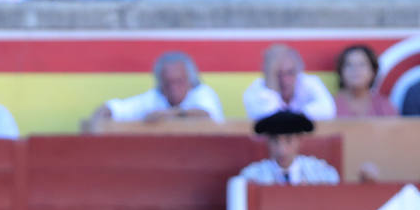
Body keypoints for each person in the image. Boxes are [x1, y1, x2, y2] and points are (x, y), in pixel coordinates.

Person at [91, 51, 223, 125]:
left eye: (179, 81)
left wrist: (171, 114)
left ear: (190, 80)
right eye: (168, 83)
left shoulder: (202, 93)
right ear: (160, 83)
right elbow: (115, 109)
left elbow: (206, 114)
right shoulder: (154, 98)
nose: (174, 88)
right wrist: (100, 116)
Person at [236, 110, 342, 185]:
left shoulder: (320, 172)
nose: (282, 150)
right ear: (267, 142)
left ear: (299, 140)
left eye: (289, 141)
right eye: (275, 141)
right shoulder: (253, 175)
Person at [243, 44, 336, 122]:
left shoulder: (310, 82)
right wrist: (271, 87)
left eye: (290, 72)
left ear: (299, 71)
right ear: (268, 74)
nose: (284, 80)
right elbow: (267, 118)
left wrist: (293, 116)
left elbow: (328, 110)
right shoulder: (255, 89)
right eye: (277, 74)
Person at [333, 44, 396, 118]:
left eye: (362, 64)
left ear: (373, 71)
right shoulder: (329, 105)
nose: (356, 70)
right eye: (349, 65)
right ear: (341, 71)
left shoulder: (384, 106)